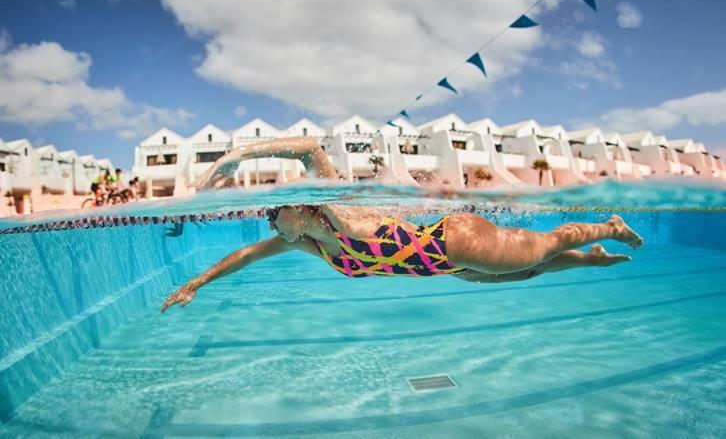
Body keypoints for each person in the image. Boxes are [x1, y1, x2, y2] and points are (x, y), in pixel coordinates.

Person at [161, 137, 643, 313]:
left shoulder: (336, 208)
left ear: (298, 209)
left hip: (457, 242)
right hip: (448, 267)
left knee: (544, 246)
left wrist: (235, 157)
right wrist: (197, 283)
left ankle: (608, 226)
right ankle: (592, 261)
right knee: (528, 272)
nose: (269, 218)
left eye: (273, 211)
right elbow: (244, 256)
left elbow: (309, 149)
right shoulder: (310, 243)